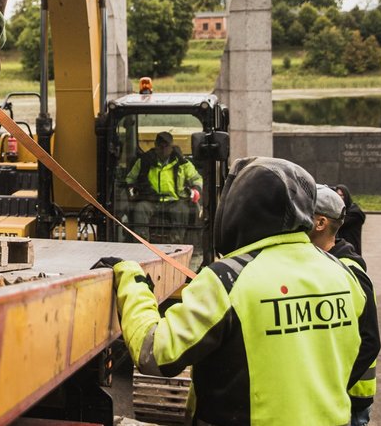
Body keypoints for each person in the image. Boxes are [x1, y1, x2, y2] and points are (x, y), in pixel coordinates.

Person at [102, 157, 367, 425]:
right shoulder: (344, 274)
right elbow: (358, 350)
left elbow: (156, 353)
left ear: (241, 210)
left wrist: (134, 282)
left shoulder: (228, 279)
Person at [310, 186, 380, 426]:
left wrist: (332, 386)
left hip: (351, 397)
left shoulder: (349, 271)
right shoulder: (320, 263)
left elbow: (370, 341)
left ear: (320, 223)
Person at [124, 131, 202, 243]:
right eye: (160, 146)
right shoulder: (143, 161)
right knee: (140, 208)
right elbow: (130, 179)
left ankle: (177, 243)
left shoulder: (182, 163)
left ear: (171, 147)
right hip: (150, 200)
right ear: (155, 146)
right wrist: (131, 190)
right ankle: (141, 243)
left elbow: (197, 179)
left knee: (181, 210)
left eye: (166, 146)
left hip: (174, 200)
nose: (163, 149)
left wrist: (196, 190)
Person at [334, 183, 366, 254]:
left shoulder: (354, 212)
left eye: (341, 195)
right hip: (340, 248)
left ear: (346, 196)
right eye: (337, 195)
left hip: (351, 248)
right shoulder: (340, 210)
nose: (339, 197)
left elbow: (339, 222)